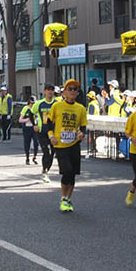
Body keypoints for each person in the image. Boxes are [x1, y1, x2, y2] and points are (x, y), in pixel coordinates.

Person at [45, 79, 88, 212]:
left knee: (73, 173)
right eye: (70, 89)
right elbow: (48, 123)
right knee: (67, 170)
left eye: (75, 89)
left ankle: (68, 199)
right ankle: (63, 197)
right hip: (60, 144)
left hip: (74, 143)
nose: (73, 91)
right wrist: (51, 136)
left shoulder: (80, 108)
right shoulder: (57, 106)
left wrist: (81, 133)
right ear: (64, 93)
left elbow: (83, 126)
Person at [32, 84, 57, 183]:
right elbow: (31, 113)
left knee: (52, 153)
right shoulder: (39, 103)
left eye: (52, 90)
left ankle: (46, 170)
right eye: (48, 90)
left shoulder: (57, 103)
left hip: (54, 132)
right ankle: (45, 171)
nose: (50, 92)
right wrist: (35, 124)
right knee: (47, 152)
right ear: (45, 91)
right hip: (42, 132)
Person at [19, 96, 39, 165]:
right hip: (27, 129)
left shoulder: (36, 109)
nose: (32, 105)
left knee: (36, 143)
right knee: (27, 144)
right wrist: (27, 119)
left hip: (34, 128)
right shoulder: (25, 108)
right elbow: (20, 120)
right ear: (29, 102)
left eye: (33, 103)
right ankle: (27, 158)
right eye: (31, 103)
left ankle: (34, 157)